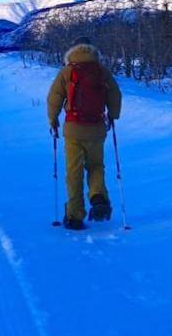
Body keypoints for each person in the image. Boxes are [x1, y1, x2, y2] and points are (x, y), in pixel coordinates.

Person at [46, 38, 122, 230]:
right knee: (96, 165)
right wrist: (113, 116)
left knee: (74, 171)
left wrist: (53, 120)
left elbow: (54, 97)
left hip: (73, 128)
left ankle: (74, 215)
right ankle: (98, 198)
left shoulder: (67, 71)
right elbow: (115, 95)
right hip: (97, 128)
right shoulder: (102, 71)